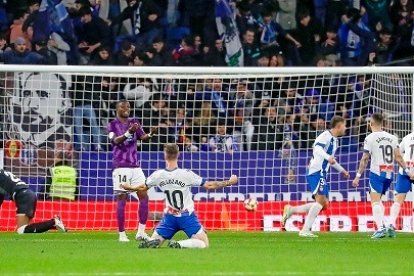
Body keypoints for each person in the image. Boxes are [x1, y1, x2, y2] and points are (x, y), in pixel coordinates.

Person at [121, 143, 238, 248]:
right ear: (178, 155)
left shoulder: (158, 175)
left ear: (165, 156)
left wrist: (129, 187)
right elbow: (209, 185)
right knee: (204, 243)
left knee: (157, 241)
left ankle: (155, 240)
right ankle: (179, 244)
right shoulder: (186, 174)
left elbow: (142, 188)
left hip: (169, 217)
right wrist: (228, 182)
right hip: (186, 216)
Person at [282, 116, 350, 237]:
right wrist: (327, 157)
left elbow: (331, 160)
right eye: (344, 125)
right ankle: (305, 230)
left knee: (324, 204)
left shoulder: (335, 141)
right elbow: (317, 148)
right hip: (316, 171)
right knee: (321, 201)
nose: (346, 128)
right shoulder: (325, 135)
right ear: (338, 126)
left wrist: (342, 170)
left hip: (322, 173)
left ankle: (291, 210)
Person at [352, 113, 414, 239]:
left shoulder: (370, 138)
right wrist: (408, 171)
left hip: (376, 173)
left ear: (371, 123)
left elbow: (365, 158)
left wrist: (358, 175)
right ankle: (387, 225)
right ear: (382, 123)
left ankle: (380, 228)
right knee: (379, 200)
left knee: (374, 201)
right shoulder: (392, 137)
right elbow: (398, 157)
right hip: (389, 174)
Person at [107, 99, 157, 242]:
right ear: (117, 108)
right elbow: (114, 141)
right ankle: (122, 234)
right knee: (122, 199)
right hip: (121, 166)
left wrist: (151, 134)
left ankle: (141, 232)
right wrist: (129, 133)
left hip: (135, 167)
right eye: (123, 106)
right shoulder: (112, 124)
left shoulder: (134, 121)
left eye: (128, 106)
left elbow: (142, 137)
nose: (126, 108)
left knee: (144, 197)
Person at [0, 169, 67, 234]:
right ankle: (52, 224)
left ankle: (54, 222)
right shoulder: (3, 173)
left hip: (23, 197)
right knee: (26, 229)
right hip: (28, 194)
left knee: (21, 230)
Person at [388, 131, 414, 236]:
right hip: (407, 170)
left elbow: (398, 153)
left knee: (398, 199)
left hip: (405, 169)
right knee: (398, 199)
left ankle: (391, 223)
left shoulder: (407, 137)